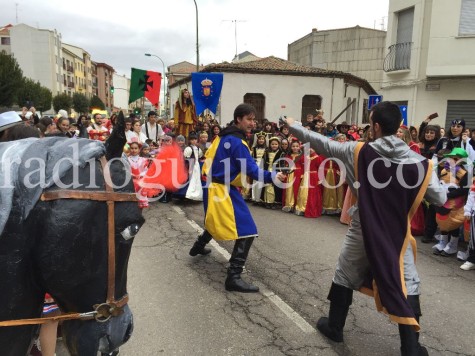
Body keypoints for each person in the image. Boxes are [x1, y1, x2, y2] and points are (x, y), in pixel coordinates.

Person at [284, 101, 446, 355]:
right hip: (396, 234)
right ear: (400, 126)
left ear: (376, 126)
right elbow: (440, 199)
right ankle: (411, 348)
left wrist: (293, 126)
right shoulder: (420, 163)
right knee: (408, 281)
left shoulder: (357, 151)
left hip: (363, 227)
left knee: (345, 272)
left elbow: (320, 142)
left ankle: (335, 327)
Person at [188, 103, 285, 293]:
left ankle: (197, 247)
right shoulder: (236, 141)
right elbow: (251, 169)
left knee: (215, 220)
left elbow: (208, 158)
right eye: (249, 119)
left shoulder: (223, 135)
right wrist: (273, 176)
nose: (252, 123)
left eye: (254, 119)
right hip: (222, 190)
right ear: (238, 119)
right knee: (247, 230)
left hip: (213, 187)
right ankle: (233, 276)